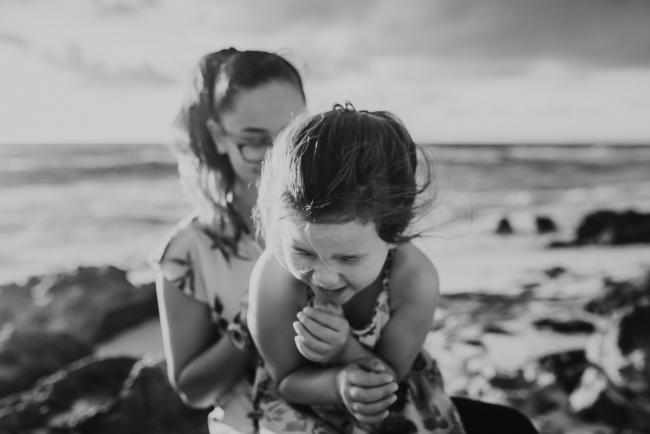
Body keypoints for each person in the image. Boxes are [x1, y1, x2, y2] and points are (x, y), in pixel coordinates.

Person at [248, 104, 467, 433]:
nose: (323, 276)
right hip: (299, 399)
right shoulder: (274, 277)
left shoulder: (415, 278)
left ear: (395, 232)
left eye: (348, 259)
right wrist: (337, 383)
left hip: (390, 394)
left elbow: (390, 378)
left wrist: (343, 350)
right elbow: (286, 379)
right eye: (303, 251)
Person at [152, 48, 306, 433]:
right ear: (219, 137)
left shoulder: (340, 218)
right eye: (255, 141)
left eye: (292, 135)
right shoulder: (189, 251)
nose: (278, 158)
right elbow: (193, 389)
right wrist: (253, 321)